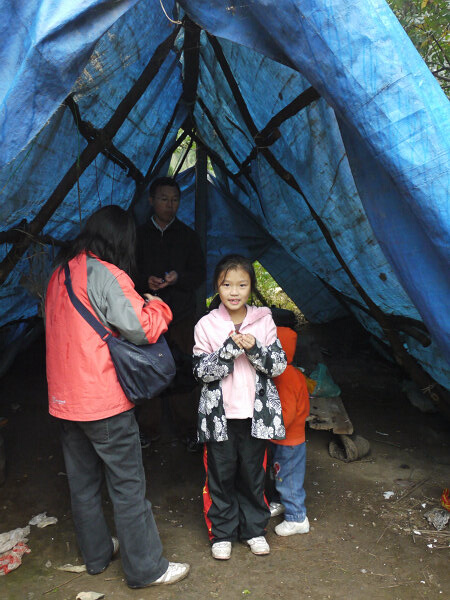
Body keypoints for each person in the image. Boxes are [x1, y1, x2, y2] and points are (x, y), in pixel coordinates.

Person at [45, 206, 189, 588]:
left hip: (63, 400)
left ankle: (96, 556)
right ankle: (146, 569)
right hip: (102, 400)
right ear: (121, 239)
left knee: (83, 485)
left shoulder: (58, 273)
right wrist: (158, 305)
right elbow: (141, 329)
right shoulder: (106, 274)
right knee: (127, 486)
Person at [193, 254, 287, 560]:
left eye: (242, 284)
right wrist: (230, 350)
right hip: (219, 418)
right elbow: (200, 372)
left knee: (252, 473)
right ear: (217, 287)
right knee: (220, 475)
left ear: (251, 287)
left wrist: (255, 348)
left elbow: (278, 366)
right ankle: (222, 533)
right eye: (227, 284)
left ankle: (254, 530)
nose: (234, 291)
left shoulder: (264, 321)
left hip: (255, 416)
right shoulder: (206, 325)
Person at [135, 177, 206, 447]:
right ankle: (148, 429)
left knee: (182, 371)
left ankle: (187, 428)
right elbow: (127, 272)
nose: (170, 205)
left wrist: (179, 277)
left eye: (175, 200)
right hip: (146, 318)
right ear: (151, 201)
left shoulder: (187, 236)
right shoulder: (139, 236)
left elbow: (199, 273)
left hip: (180, 316)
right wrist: (145, 281)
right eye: (164, 199)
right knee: (147, 369)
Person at [269, 326, 310, 536]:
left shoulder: (285, 376)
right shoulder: (291, 372)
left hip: (288, 439)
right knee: (280, 473)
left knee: (289, 477)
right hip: (285, 437)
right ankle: (281, 502)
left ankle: (297, 518)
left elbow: (287, 412)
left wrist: (269, 429)